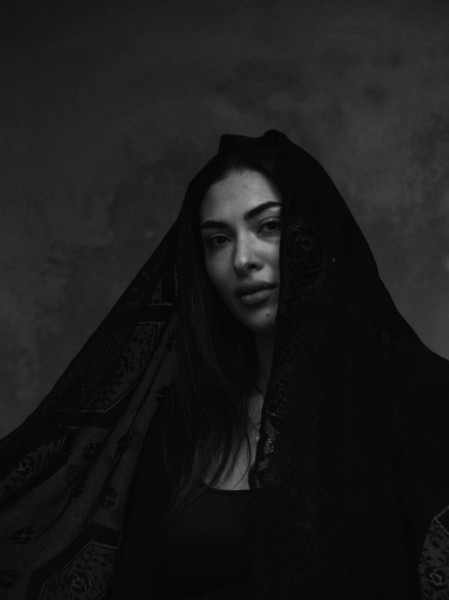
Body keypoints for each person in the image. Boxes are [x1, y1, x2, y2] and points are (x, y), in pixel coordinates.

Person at [1, 130, 449, 599]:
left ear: (314, 235)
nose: (242, 259)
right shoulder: (184, 418)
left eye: (269, 226)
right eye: (218, 239)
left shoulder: (420, 406)